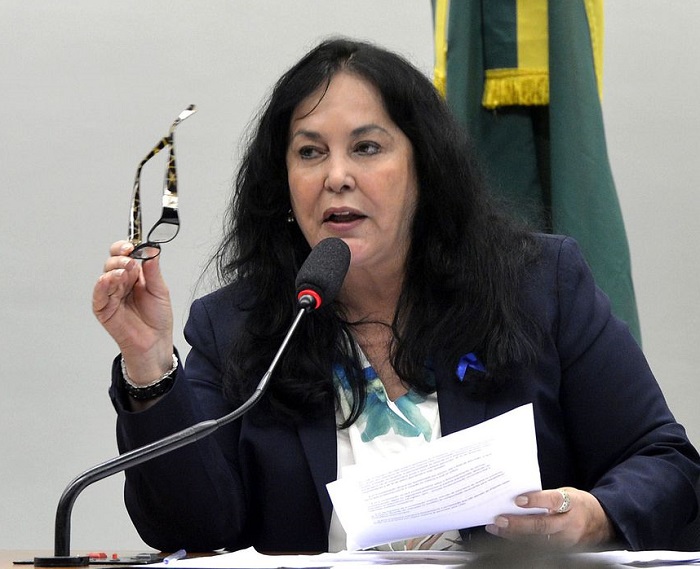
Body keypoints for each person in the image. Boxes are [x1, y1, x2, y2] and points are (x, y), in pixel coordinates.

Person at [93, 38, 699, 554]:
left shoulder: (539, 286)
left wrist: (596, 516)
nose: (336, 176)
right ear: (284, 186)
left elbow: (667, 464)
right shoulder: (239, 324)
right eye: (310, 152)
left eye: (367, 147)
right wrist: (149, 364)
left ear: (424, 168)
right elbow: (190, 527)